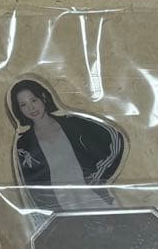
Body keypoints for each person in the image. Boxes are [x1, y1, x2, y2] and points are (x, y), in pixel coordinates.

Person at [9, 79, 124, 211]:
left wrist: (98, 175)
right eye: (23, 105)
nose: (31, 108)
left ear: (43, 98)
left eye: (33, 100)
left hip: (99, 202)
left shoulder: (73, 123)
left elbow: (114, 137)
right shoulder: (23, 145)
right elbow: (30, 188)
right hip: (61, 212)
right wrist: (42, 214)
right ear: (19, 109)